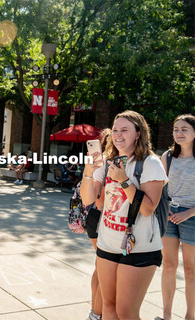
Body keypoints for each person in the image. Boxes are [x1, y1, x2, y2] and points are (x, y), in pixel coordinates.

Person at [80, 110, 167, 320]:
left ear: (138, 133)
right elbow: (88, 200)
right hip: (108, 243)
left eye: (124, 130)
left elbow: (147, 209)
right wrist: (89, 171)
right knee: (109, 307)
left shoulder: (150, 163)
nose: (118, 134)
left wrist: (123, 179)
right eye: (115, 130)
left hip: (140, 247)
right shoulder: (107, 161)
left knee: (126, 312)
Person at [158, 114, 195, 320]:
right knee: (169, 266)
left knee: (190, 270)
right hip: (170, 215)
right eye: (176, 129)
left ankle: (190, 315)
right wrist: (166, 208)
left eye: (184, 129)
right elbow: (161, 187)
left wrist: (188, 213)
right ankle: (166, 315)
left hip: (193, 216)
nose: (179, 133)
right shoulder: (168, 157)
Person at [84, 127, 111, 320]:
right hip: (101, 219)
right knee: (103, 270)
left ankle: (95, 310)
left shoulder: (99, 163)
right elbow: (99, 202)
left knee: (99, 266)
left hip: (93, 219)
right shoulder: (106, 165)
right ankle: (97, 312)